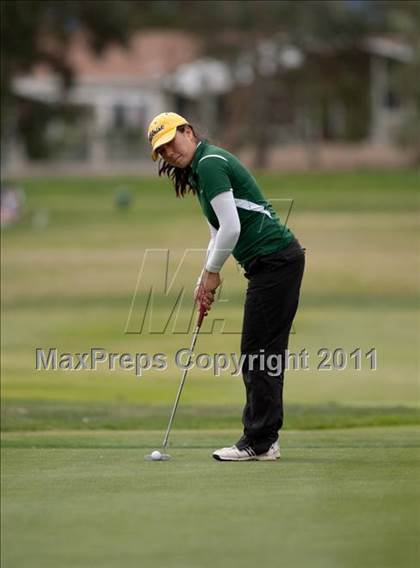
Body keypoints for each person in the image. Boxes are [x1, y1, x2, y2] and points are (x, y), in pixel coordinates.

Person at [147, 112, 305, 461]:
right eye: (162, 151)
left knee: (258, 353)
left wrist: (213, 272)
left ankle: (260, 441)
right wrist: (205, 278)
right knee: (262, 353)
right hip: (270, 264)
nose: (170, 152)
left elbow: (233, 229)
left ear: (188, 131)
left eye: (172, 142)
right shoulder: (199, 171)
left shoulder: (211, 163)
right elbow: (217, 232)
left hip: (276, 261)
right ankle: (264, 440)